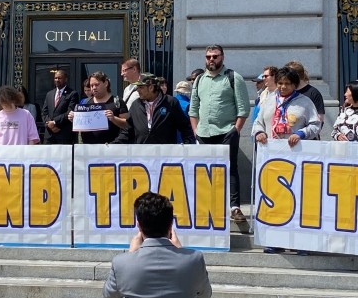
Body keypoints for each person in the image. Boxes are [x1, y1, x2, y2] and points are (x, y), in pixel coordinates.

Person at [103, 191, 213, 298]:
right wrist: (181, 252)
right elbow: (206, 294)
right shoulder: (193, 259)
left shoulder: (122, 263)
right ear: (171, 226)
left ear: (139, 226)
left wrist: (131, 254)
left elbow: (109, 294)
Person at [252, 67, 321, 255]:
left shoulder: (304, 102)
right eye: (280, 83)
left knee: (298, 199)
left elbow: (316, 124)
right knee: (276, 200)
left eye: (287, 84)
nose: (283, 87)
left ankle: (301, 242)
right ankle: (275, 240)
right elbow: (258, 122)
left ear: (295, 84)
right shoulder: (269, 100)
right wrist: (259, 132)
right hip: (273, 160)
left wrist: (301, 133)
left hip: (297, 158)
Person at [189, 45, 250, 223]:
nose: (211, 60)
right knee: (204, 170)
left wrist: (236, 129)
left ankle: (234, 207)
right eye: (208, 57)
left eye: (215, 56)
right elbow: (193, 109)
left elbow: (243, 108)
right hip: (203, 133)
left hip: (226, 132)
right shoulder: (199, 79)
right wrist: (195, 131)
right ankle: (207, 205)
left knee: (230, 169)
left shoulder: (233, 77)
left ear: (222, 57)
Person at [113, 74, 195, 144]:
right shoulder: (136, 105)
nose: (137, 90)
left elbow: (185, 127)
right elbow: (128, 130)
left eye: (141, 87)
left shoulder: (170, 102)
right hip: (142, 156)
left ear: (151, 88)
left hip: (166, 156)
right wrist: (113, 145)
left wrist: (187, 145)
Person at [69, 71, 128, 143]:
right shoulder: (86, 102)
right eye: (91, 86)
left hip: (111, 148)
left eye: (96, 85)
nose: (93, 88)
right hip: (88, 149)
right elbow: (82, 127)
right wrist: (75, 119)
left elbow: (127, 125)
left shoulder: (117, 102)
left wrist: (113, 118)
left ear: (106, 83)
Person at [285, 60, 325, 138]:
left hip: (307, 141)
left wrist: (302, 134)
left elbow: (319, 120)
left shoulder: (313, 93)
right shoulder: (285, 92)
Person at [42, 70, 79, 144]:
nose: (57, 80)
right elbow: (44, 112)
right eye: (55, 78)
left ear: (65, 79)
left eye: (59, 78)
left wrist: (55, 122)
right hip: (49, 135)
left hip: (63, 134)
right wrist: (49, 124)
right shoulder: (49, 94)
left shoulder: (72, 94)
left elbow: (69, 112)